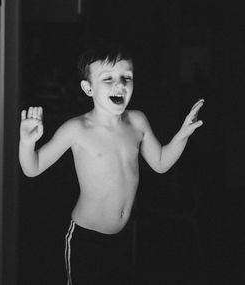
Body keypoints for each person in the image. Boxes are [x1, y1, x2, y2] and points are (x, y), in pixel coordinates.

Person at [19, 42, 204, 284]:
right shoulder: (77, 129)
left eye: (126, 77)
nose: (120, 84)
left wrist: (183, 134)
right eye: (108, 79)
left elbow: (160, 163)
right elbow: (32, 169)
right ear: (88, 88)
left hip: (123, 238)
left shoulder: (137, 122)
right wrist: (26, 142)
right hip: (85, 239)